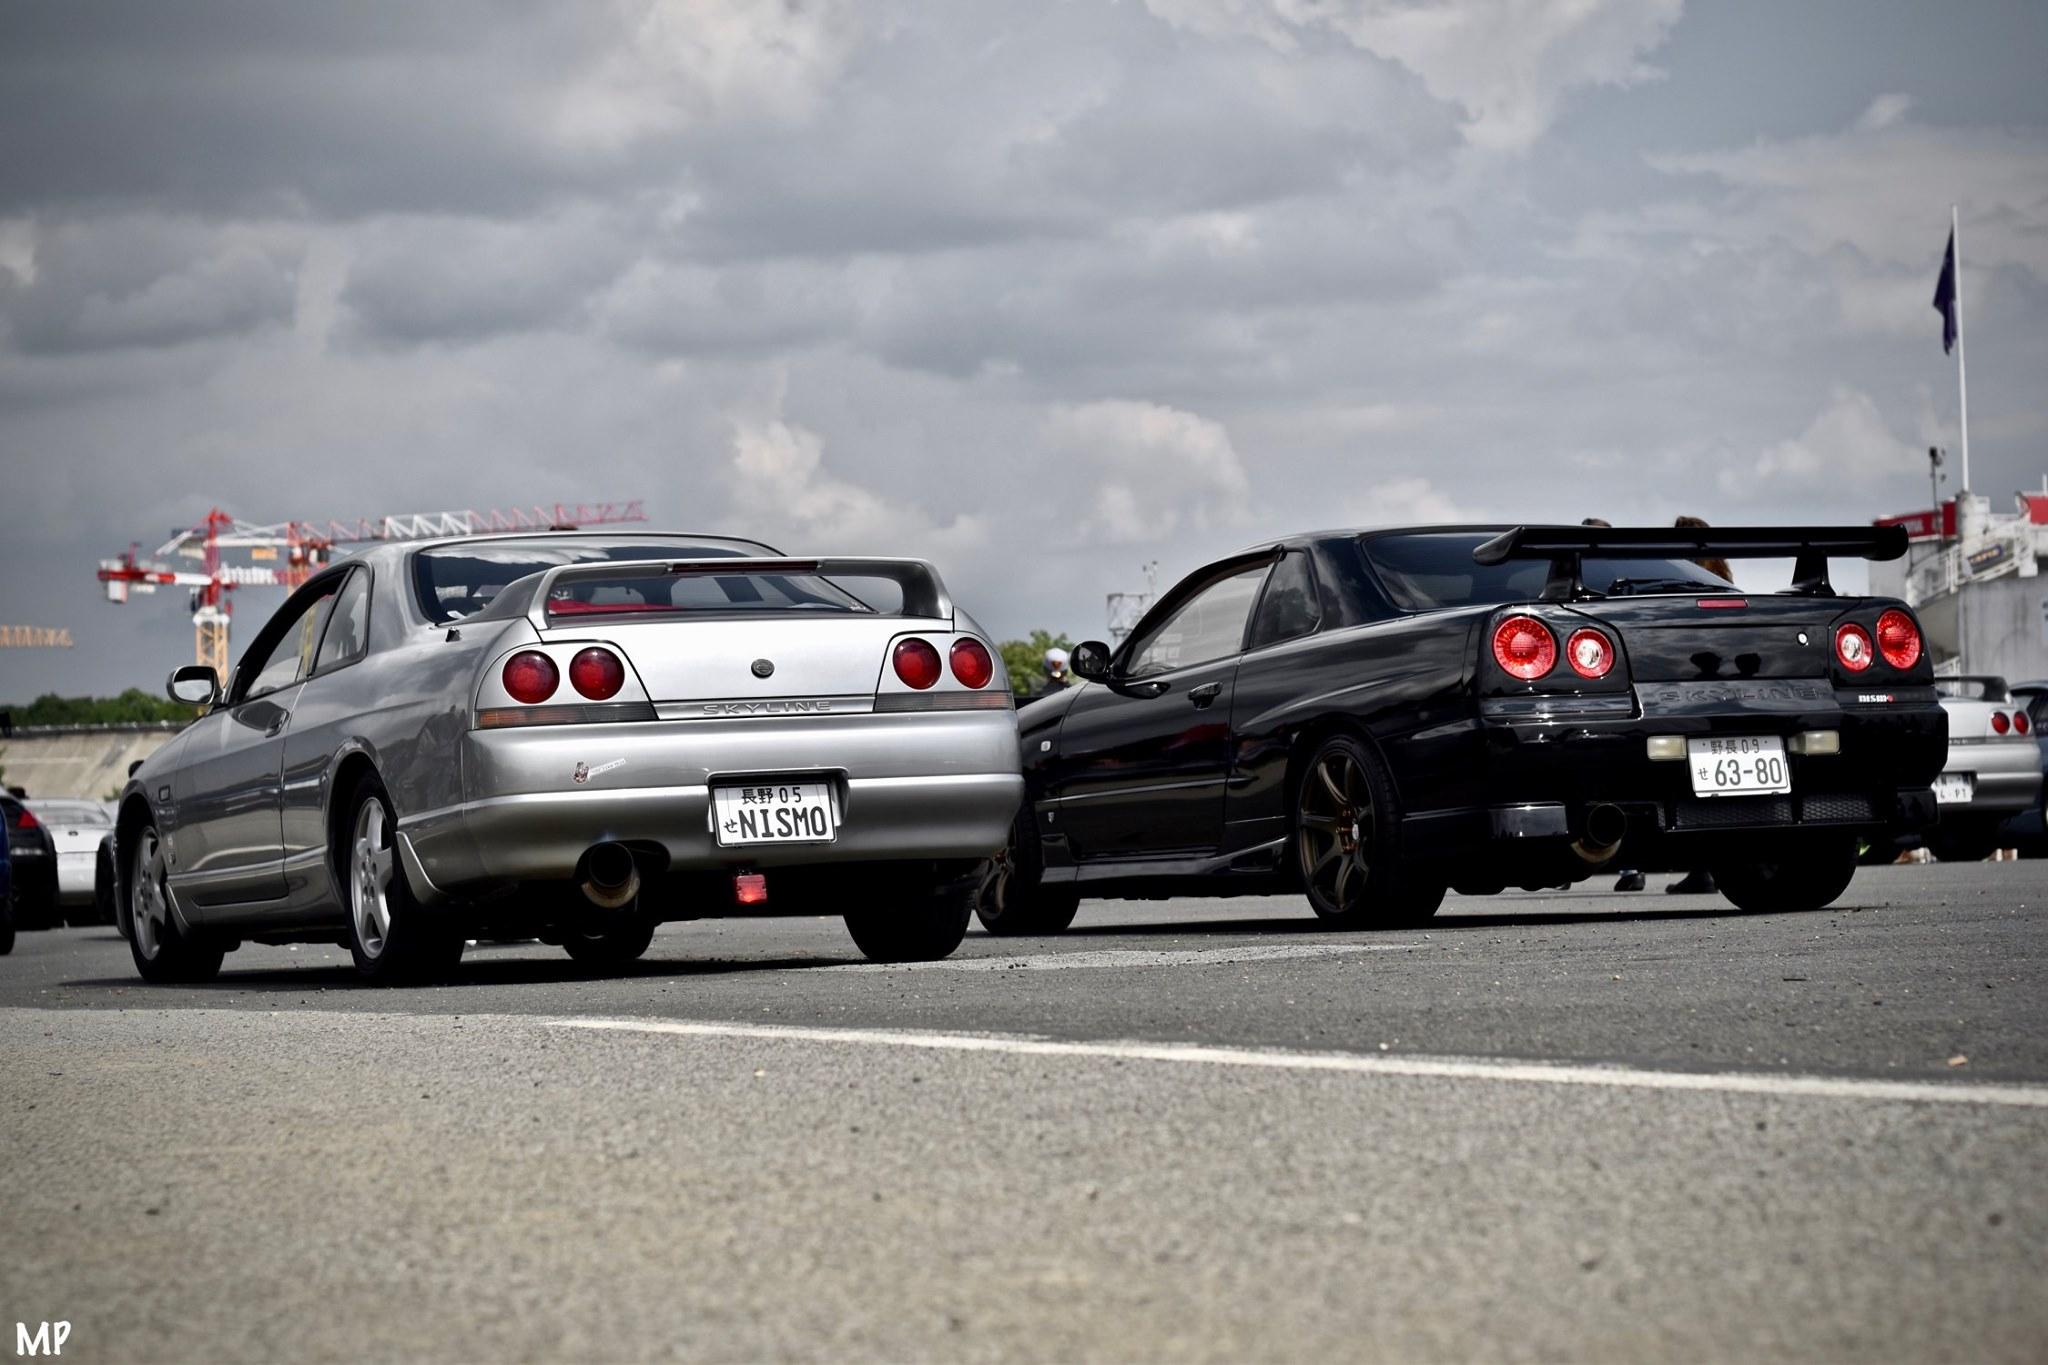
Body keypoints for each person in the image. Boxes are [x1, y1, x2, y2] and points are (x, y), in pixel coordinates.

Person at [1665, 514, 1726, 895]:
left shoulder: (1680, 584)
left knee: (1692, 779)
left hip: (1690, 692)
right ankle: (1711, 866)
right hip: (1727, 693)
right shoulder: (1725, 582)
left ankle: (1702, 867)